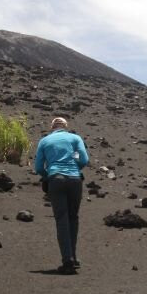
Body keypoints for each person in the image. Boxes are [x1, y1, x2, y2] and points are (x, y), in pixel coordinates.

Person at [33, 117, 89, 274]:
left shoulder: (44, 141)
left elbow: (38, 167)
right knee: (73, 218)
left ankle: (67, 260)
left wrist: (49, 175)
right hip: (75, 180)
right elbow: (84, 160)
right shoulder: (75, 138)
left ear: (52, 127)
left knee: (62, 219)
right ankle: (73, 257)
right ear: (65, 126)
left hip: (56, 180)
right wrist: (74, 168)